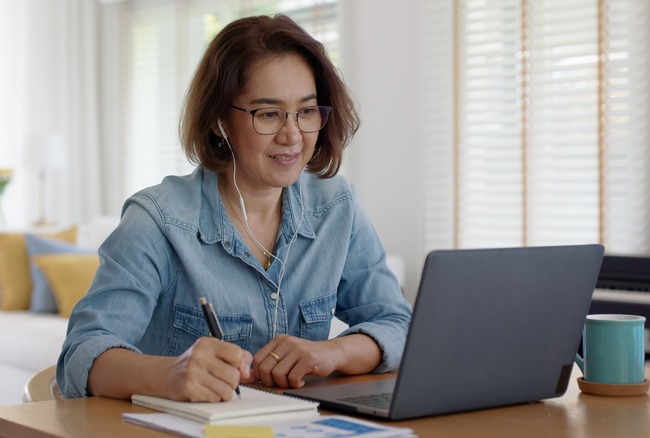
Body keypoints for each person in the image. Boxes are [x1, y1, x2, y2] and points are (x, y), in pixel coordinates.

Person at [57, 14, 412, 402]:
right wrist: (170, 374)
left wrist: (334, 351)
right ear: (218, 120)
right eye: (269, 114)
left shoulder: (336, 207)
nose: (293, 136)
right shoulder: (157, 221)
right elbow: (82, 353)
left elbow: (396, 322)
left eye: (307, 111)